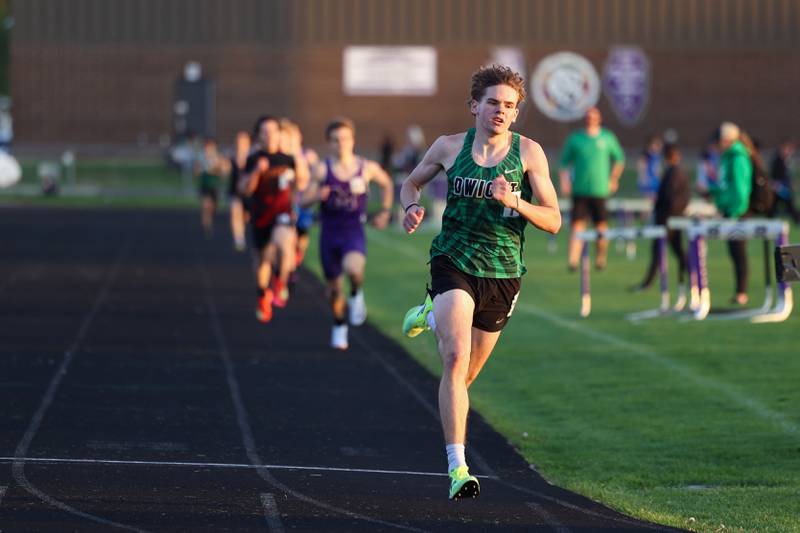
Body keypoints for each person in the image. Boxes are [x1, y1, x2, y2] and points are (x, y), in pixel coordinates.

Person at [399, 65, 560, 500]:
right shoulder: (450, 147)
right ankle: (458, 469)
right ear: (474, 106)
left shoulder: (529, 154)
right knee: (454, 358)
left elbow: (554, 220)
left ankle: (430, 314)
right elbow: (411, 184)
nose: (501, 112)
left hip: (504, 274)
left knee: (464, 379)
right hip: (454, 261)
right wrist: (409, 208)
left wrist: (515, 202)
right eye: (493, 103)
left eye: (509, 106)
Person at [302, 118, 393, 350]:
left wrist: (384, 210)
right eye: (335, 140)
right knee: (333, 289)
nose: (340, 143)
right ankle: (339, 325)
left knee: (354, 269)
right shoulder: (323, 169)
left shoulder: (366, 168)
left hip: (353, 231)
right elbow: (302, 201)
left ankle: (356, 294)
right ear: (329, 143)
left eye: (344, 138)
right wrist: (317, 196)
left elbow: (387, 183)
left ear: (352, 140)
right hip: (329, 234)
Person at [240, 115, 309, 322]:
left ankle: (280, 280)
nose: (270, 135)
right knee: (263, 261)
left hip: (283, 214)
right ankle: (262, 294)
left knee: (284, 242)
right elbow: (245, 190)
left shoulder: (288, 158)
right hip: (261, 216)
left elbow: (303, 182)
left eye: (273, 131)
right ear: (259, 135)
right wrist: (256, 172)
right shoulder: (253, 159)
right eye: (265, 132)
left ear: (279, 134)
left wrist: (297, 153)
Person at [559, 107, 625, 271]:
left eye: (594, 116)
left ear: (599, 118)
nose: (591, 119)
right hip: (580, 190)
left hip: (600, 191)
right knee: (577, 227)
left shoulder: (607, 138)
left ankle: (601, 258)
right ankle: (573, 262)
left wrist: (614, 179)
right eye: (588, 116)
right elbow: (563, 164)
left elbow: (620, 159)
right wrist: (565, 182)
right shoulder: (575, 139)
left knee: (601, 227)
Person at [631, 144, 689, 292]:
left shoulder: (674, 173)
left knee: (658, 250)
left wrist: (666, 215)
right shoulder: (676, 172)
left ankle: (648, 283)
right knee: (677, 250)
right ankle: (692, 277)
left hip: (668, 219)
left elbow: (671, 199)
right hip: (673, 218)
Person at [710, 122, 752, 305]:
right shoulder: (727, 157)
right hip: (729, 211)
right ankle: (739, 292)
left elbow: (741, 190)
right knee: (734, 252)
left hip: (738, 213)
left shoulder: (737, 158)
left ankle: (742, 292)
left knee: (739, 252)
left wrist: (735, 213)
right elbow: (725, 186)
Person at [279, 119, 319, 272]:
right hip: (290, 200)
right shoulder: (284, 155)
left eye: (297, 134)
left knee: (302, 234)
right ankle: (287, 267)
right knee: (290, 235)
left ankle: (298, 253)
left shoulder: (308, 155)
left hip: (305, 199)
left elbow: (317, 175)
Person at [196, 137, 231, 238]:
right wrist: (201, 169)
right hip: (204, 186)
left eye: (210, 147)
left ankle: (210, 219)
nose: (208, 149)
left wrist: (216, 169)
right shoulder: (201, 158)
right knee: (205, 206)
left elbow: (224, 172)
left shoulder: (219, 158)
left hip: (214, 186)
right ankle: (206, 226)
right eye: (207, 147)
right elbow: (196, 171)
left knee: (213, 207)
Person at [228, 130, 251, 251]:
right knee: (235, 212)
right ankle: (239, 239)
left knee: (246, 217)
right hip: (235, 191)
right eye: (238, 141)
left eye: (243, 141)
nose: (240, 144)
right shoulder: (231, 156)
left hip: (249, 193)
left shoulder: (253, 156)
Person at [769, 139, 799, 223]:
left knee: (787, 206)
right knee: (777, 206)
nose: (790, 152)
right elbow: (775, 175)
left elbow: (788, 175)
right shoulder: (777, 161)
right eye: (788, 149)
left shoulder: (786, 160)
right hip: (779, 188)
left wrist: (792, 184)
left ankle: (797, 220)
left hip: (784, 188)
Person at [637, 134, 663, 202]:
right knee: (649, 201)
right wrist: (643, 179)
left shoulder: (657, 155)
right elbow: (641, 167)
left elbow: (658, 169)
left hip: (655, 182)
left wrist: (660, 178)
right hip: (648, 182)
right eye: (656, 144)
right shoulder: (646, 155)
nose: (657, 147)